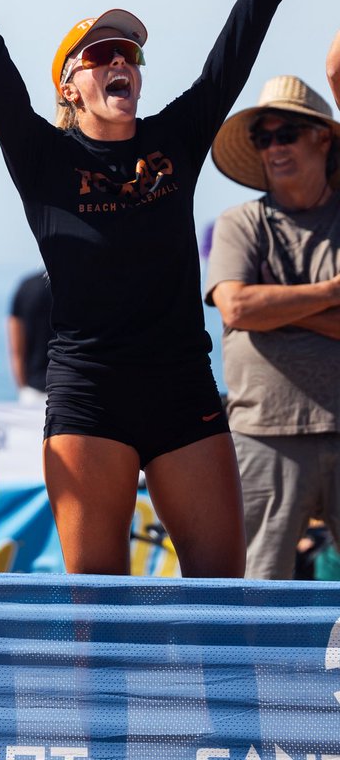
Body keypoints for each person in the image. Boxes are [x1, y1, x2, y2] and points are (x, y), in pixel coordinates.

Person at [0, 0, 328, 577]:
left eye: (129, 55)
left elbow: (230, 58)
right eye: (100, 56)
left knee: (221, 600)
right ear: (70, 87)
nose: (120, 63)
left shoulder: (172, 141)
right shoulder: (43, 157)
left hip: (181, 389)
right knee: (95, 613)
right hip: (87, 397)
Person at [205, 76, 340, 578]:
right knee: (257, 594)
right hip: (264, 433)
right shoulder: (241, 223)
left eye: (286, 134)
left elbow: (250, 309)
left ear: (322, 138)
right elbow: (237, 307)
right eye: (264, 137)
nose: (274, 147)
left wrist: (276, 311)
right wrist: (330, 293)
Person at [6, 270, 52, 399]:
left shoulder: (27, 286)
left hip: (33, 388)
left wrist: (22, 388)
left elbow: (16, 350)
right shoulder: (75, 285)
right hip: (70, 386)